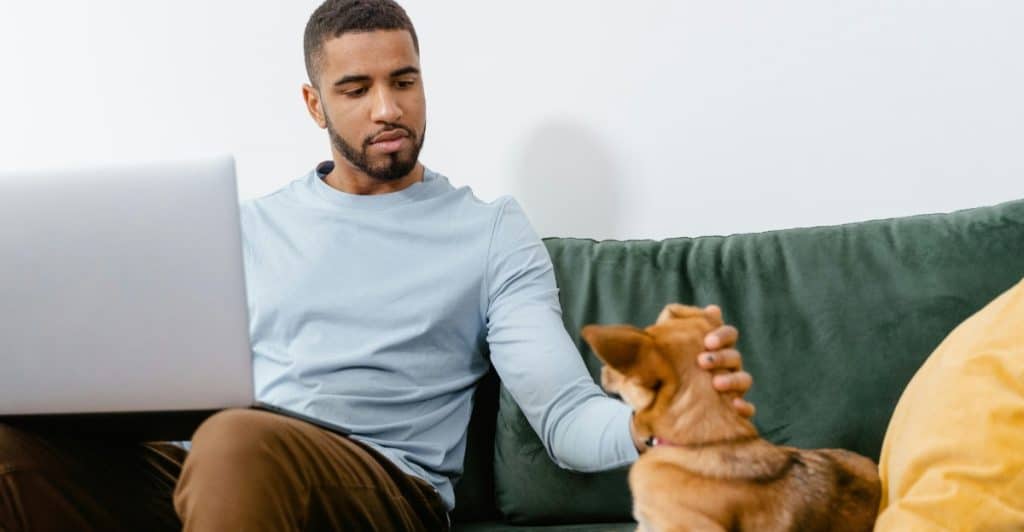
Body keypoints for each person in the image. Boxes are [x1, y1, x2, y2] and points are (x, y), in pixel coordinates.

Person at [0, 1, 754, 530]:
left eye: (404, 80)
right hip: (219, 473)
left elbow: (561, 414)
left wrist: (658, 426)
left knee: (236, 443)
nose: (387, 109)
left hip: (383, 489)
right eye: (355, 90)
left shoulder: (488, 232)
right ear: (313, 103)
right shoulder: (244, 228)